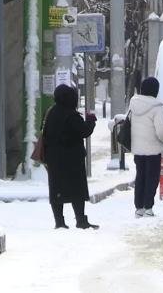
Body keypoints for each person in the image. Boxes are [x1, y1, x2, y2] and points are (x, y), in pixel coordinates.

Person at [43, 84, 97, 230]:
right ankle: (81, 220)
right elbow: (84, 131)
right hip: (72, 160)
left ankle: (59, 222)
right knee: (77, 190)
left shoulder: (51, 113)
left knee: (57, 190)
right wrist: (91, 121)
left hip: (54, 159)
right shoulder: (71, 115)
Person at [129, 77, 163, 218]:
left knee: (140, 176)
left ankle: (139, 207)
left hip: (138, 148)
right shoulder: (156, 107)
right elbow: (162, 131)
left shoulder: (133, 104)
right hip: (153, 150)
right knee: (151, 178)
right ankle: (148, 207)